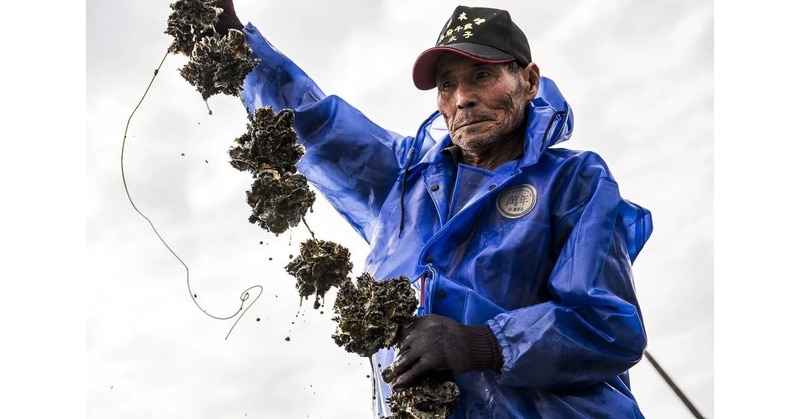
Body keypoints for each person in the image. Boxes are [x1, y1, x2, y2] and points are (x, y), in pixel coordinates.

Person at [215, 2, 654, 418]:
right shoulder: (405, 179)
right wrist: (236, 44)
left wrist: (484, 343)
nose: (462, 98)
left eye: (482, 75)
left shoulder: (574, 180)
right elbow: (318, 126)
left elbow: (608, 326)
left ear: (529, 80)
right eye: (447, 84)